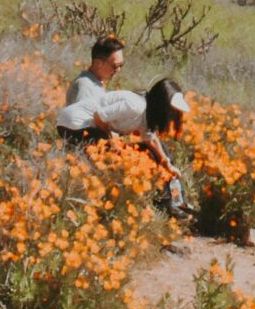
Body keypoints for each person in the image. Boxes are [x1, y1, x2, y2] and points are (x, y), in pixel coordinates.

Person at [55, 77, 193, 216]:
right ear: (161, 105)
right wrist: (111, 140)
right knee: (115, 159)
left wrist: (167, 163)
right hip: (74, 124)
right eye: (170, 111)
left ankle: (168, 204)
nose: (170, 117)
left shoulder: (145, 112)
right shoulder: (135, 106)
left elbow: (150, 140)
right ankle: (140, 207)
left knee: (150, 151)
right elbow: (99, 116)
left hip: (87, 127)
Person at [67, 36, 125, 109]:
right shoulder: (86, 86)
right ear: (98, 63)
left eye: (121, 65)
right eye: (115, 66)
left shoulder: (94, 84)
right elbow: (79, 118)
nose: (118, 69)